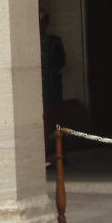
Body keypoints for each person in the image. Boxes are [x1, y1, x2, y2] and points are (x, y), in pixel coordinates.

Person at [40, 11, 66, 164]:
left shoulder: (54, 42)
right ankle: (45, 155)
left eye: (42, 22)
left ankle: (59, 154)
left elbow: (59, 63)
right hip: (40, 88)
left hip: (51, 87)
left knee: (56, 122)